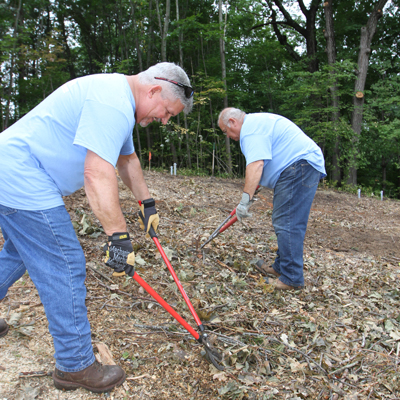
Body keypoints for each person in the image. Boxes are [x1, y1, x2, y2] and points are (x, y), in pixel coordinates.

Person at [0, 62, 194, 392]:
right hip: (22, 177)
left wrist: (146, 204)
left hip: (13, 172)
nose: (163, 120)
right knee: (64, 263)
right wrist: (118, 238)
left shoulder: (117, 99)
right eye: (167, 112)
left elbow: (126, 160)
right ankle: (74, 366)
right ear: (154, 90)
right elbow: (95, 173)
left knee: (21, 250)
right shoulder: (111, 102)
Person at [218, 107, 326, 291]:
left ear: (232, 122)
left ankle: (292, 278)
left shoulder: (250, 130)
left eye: (225, 131)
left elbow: (256, 164)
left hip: (299, 166)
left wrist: (245, 202)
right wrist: (254, 188)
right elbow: (266, 161)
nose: (228, 136)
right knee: (284, 219)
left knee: (287, 221)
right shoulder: (256, 124)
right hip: (298, 167)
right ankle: (281, 268)